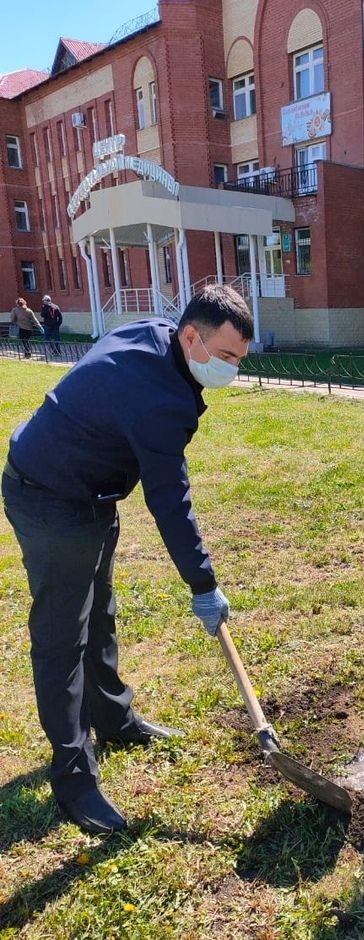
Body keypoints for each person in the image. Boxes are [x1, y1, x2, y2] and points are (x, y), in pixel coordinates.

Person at [2, 284, 252, 835]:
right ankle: (73, 779)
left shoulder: (162, 342)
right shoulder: (159, 397)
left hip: (93, 491)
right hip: (48, 495)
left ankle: (113, 718)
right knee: (62, 637)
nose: (233, 370)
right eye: (228, 357)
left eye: (240, 359)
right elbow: (168, 496)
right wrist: (202, 584)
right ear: (192, 336)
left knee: (100, 614)